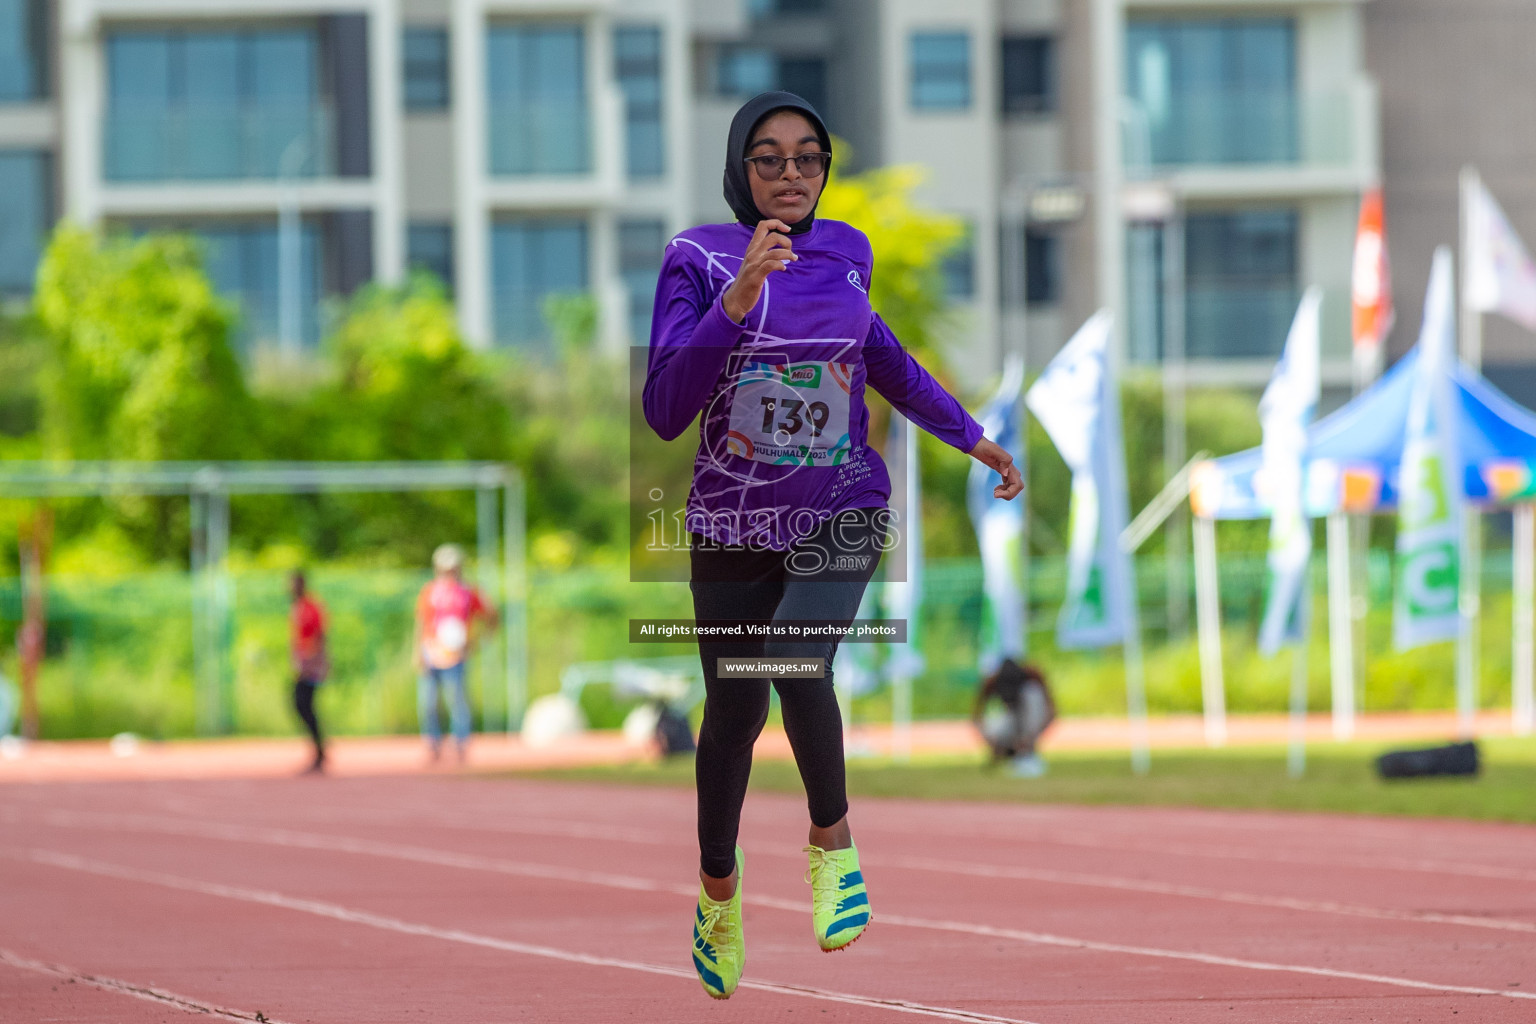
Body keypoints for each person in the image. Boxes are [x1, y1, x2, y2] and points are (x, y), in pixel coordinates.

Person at [643, 91, 1023, 999]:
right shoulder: (695, 257)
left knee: (796, 656)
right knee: (733, 714)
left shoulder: (848, 250)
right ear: (739, 170)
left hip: (843, 503)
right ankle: (718, 893)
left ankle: (832, 839)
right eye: (768, 159)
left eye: (808, 158)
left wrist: (970, 434)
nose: (789, 175)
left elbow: (881, 353)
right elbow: (664, 410)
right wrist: (734, 300)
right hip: (734, 523)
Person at [414, 543, 497, 764]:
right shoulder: (430, 591)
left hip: (456, 655)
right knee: (428, 702)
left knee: (457, 701)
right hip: (431, 652)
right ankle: (433, 744)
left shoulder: (469, 592)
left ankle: (461, 744)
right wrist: (418, 652)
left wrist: (477, 640)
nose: (449, 572)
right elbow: (422, 622)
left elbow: (491, 615)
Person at [973, 658, 1056, 778]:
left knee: (1032, 694)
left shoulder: (1032, 677)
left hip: (1031, 716)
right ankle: (1010, 753)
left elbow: (1052, 713)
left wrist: (1031, 739)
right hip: (1010, 717)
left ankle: (1026, 754)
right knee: (996, 729)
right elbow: (976, 717)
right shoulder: (991, 682)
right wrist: (992, 743)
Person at [289, 571, 329, 774]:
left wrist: (312, 661)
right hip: (303, 663)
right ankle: (319, 750)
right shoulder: (297, 608)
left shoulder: (310, 607)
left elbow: (319, 635)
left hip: (311, 664)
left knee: (304, 703)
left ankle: (320, 750)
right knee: (302, 704)